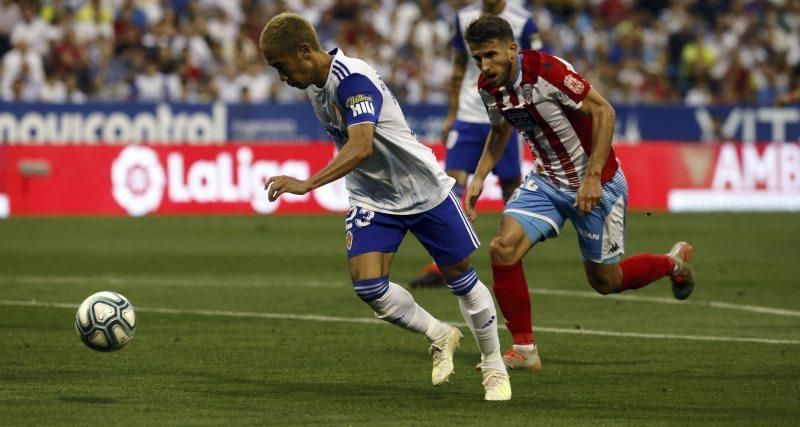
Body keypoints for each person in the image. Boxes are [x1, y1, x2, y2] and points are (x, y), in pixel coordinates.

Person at [259, 12, 511, 401]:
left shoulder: (353, 80)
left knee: (460, 277)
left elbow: (361, 145)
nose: (281, 76)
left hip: (421, 188)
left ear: (304, 51)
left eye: (281, 66)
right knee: (368, 285)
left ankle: (494, 366)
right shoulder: (313, 85)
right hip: (372, 196)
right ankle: (439, 333)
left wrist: (307, 183)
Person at [462, 15, 696, 371]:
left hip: (597, 185)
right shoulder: (488, 86)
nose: (485, 65)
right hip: (546, 182)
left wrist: (592, 177)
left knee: (606, 281)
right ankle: (525, 350)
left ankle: (673, 262)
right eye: (478, 58)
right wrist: (479, 176)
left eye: (491, 55)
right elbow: (499, 130)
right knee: (502, 248)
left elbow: (604, 111)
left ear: (512, 49)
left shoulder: (548, 72)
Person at [410, 0, 540, 288]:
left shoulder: (523, 20)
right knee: (452, 183)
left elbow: (535, 66)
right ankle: (445, 260)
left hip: (506, 111)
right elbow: (458, 68)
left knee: (510, 184)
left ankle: (513, 249)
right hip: (468, 114)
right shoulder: (464, 17)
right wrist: (452, 114)